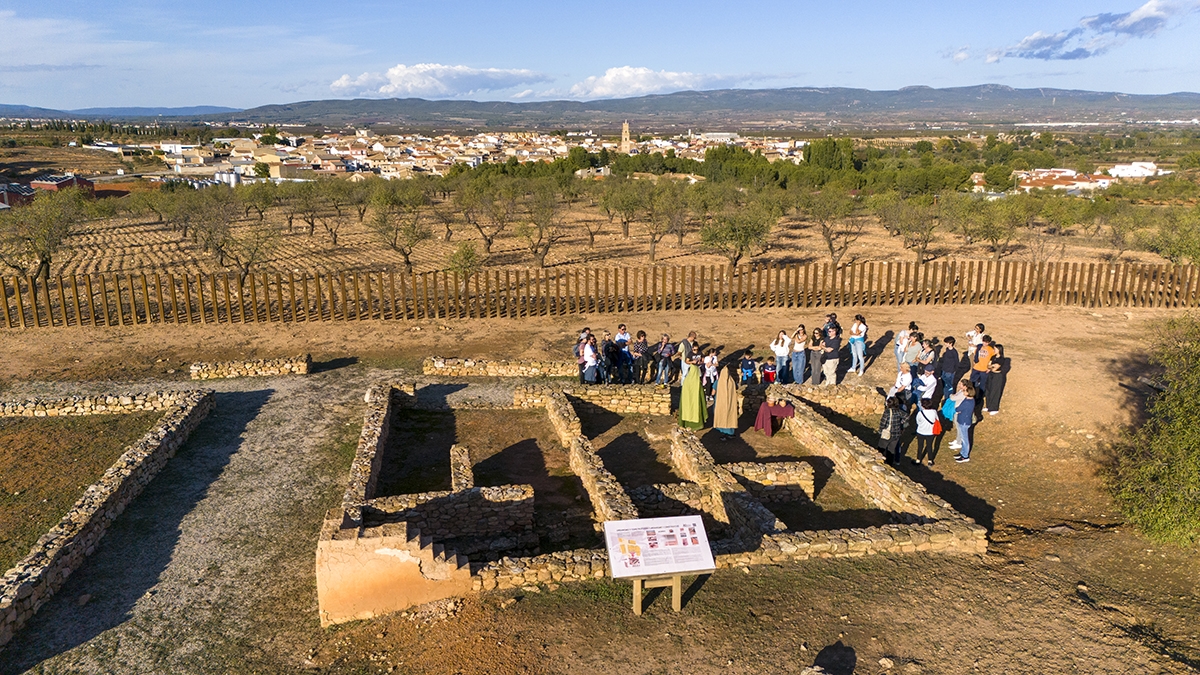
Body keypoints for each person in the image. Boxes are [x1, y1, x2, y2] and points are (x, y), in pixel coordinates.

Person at [877, 395, 908, 466]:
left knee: (881, 448)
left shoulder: (887, 412)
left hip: (887, 433)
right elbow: (906, 416)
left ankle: (878, 462)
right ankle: (889, 464)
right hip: (896, 434)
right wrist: (901, 423)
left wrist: (880, 430)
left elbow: (883, 423)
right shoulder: (899, 411)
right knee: (891, 450)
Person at [950, 380, 976, 463]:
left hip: (964, 422)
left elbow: (958, 408)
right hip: (963, 420)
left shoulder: (967, 402)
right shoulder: (970, 400)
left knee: (965, 439)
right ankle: (962, 453)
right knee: (963, 438)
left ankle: (965, 456)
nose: (963, 392)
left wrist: (958, 410)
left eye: (965, 391)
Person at [712, 365, 740, 440]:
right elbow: (736, 388)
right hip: (730, 402)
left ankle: (723, 434)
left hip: (720, 403)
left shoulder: (718, 382)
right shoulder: (732, 382)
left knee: (721, 415)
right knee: (730, 415)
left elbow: (713, 392)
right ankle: (731, 433)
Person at [677, 363, 708, 430]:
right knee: (696, 410)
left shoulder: (686, 381)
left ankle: (685, 424)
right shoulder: (698, 383)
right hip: (696, 402)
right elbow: (702, 395)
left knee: (687, 410)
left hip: (686, 402)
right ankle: (696, 426)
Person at [970, 335, 997, 404]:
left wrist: (990, 368)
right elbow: (975, 356)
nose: (985, 343)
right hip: (976, 368)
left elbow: (993, 359)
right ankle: (971, 395)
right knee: (972, 382)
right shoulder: (979, 347)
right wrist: (974, 364)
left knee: (982, 385)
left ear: (989, 342)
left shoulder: (991, 350)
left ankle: (980, 398)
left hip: (984, 369)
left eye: (986, 342)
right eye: (984, 342)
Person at [913, 397, 939, 466]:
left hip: (921, 431)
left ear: (922, 405)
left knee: (920, 446)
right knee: (929, 446)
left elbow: (918, 422)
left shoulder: (920, 413)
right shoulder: (934, 412)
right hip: (930, 432)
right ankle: (930, 460)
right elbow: (937, 420)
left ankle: (918, 460)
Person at [985, 344, 1007, 415]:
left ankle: (994, 408)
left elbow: (996, 368)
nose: (994, 350)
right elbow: (988, 365)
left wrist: (992, 366)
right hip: (991, 375)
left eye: (995, 349)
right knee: (988, 390)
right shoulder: (993, 357)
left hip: (998, 376)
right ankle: (988, 406)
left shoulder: (1001, 359)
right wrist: (992, 366)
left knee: (995, 391)